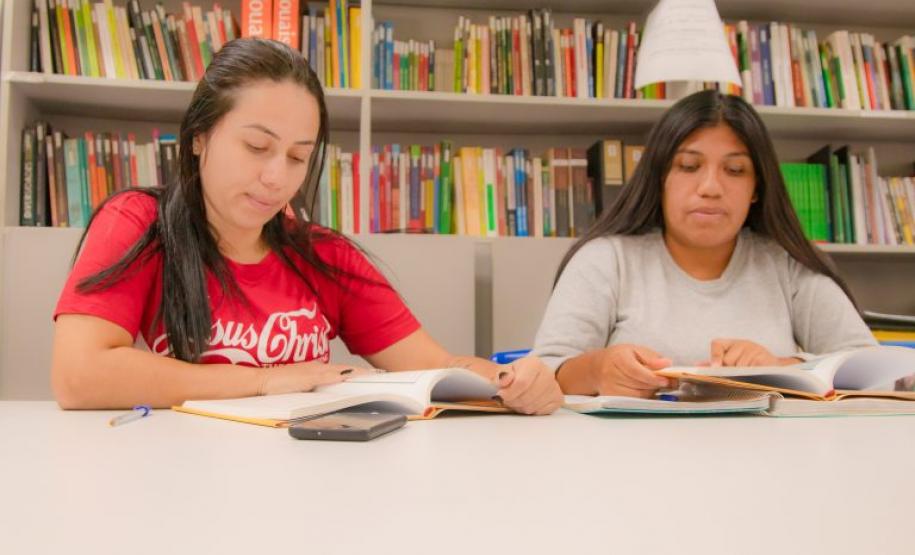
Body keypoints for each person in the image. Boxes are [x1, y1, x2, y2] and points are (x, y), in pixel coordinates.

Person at [51, 39, 562, 415]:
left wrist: (510, 381)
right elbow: (80, 375)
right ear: (199, 137)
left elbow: (435, 366)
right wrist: (264, 382)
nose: (277, 179)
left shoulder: (324, 254)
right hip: (183, 475)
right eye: (256, 147)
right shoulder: (140, 223)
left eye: (298, 157)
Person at [531, 90, 876, 398]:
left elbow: (870, 368)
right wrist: (596, 370)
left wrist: (783, 367)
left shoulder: (786, 264)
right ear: (660, 177)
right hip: (631, 459)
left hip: (766, 459)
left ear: (757, 188)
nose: (710, 187)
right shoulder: (606, 260)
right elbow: (543, 372)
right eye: (689, 166)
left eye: (735, 170)